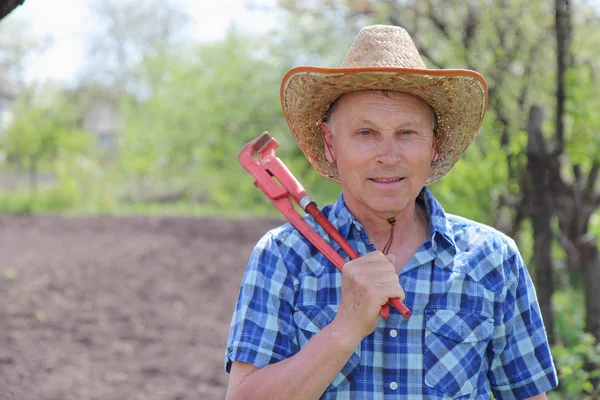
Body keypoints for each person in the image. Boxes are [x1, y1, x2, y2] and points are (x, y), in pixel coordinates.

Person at [224, 25, 558, 399]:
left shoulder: (493, 259)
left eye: (407, 133)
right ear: (331, 145)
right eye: (365, 133)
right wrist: (344, 329)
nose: (388, 155)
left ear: (434, 146)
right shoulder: (283, 256)